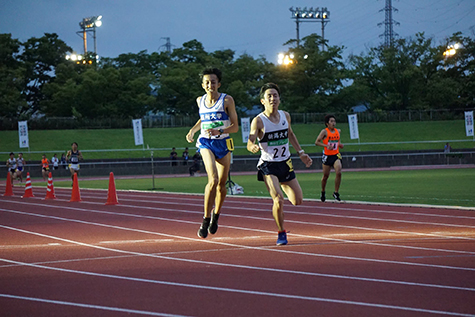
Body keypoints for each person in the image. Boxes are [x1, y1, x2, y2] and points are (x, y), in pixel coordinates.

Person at [247, 83, 313, 245]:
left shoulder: (286, 116)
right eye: (269, 96)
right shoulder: (258, 121)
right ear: (263, 101)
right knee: (278, 199)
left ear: (279, 99)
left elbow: (290, 134)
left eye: (275, 95)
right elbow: (250, 140)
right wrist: (252, 146)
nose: (272, 99)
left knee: (297, 200)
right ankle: (281, 232)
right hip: (268, 165)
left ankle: (282, 183)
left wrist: (301, 153)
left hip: (285, 163)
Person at [186, 67, 239, 238]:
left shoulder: (227, 100)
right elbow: (204, 118)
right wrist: (193, 131)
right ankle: (205, 218)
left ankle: (216, 215)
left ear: (219, 84)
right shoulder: (199, 100)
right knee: (213, 179)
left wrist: (220, 131)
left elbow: (235, 126)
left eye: (213, 82)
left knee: (221, 185)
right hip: (205, 143)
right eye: (207, 82)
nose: (210, 85)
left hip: (223, 143)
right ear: (203, 85)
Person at [315, 114, 345, 202]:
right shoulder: (324, 132)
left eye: (334, 121)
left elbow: (337, 141)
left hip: (336, 154)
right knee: (325, 176)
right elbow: (317, 142)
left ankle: (336, 192)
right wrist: (326, 145)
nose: (333, 123)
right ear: (327, 123)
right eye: (331, 121)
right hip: (327, 156)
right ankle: (323, 191)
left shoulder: (338, 131)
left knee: (339, 171)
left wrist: (340, 145)